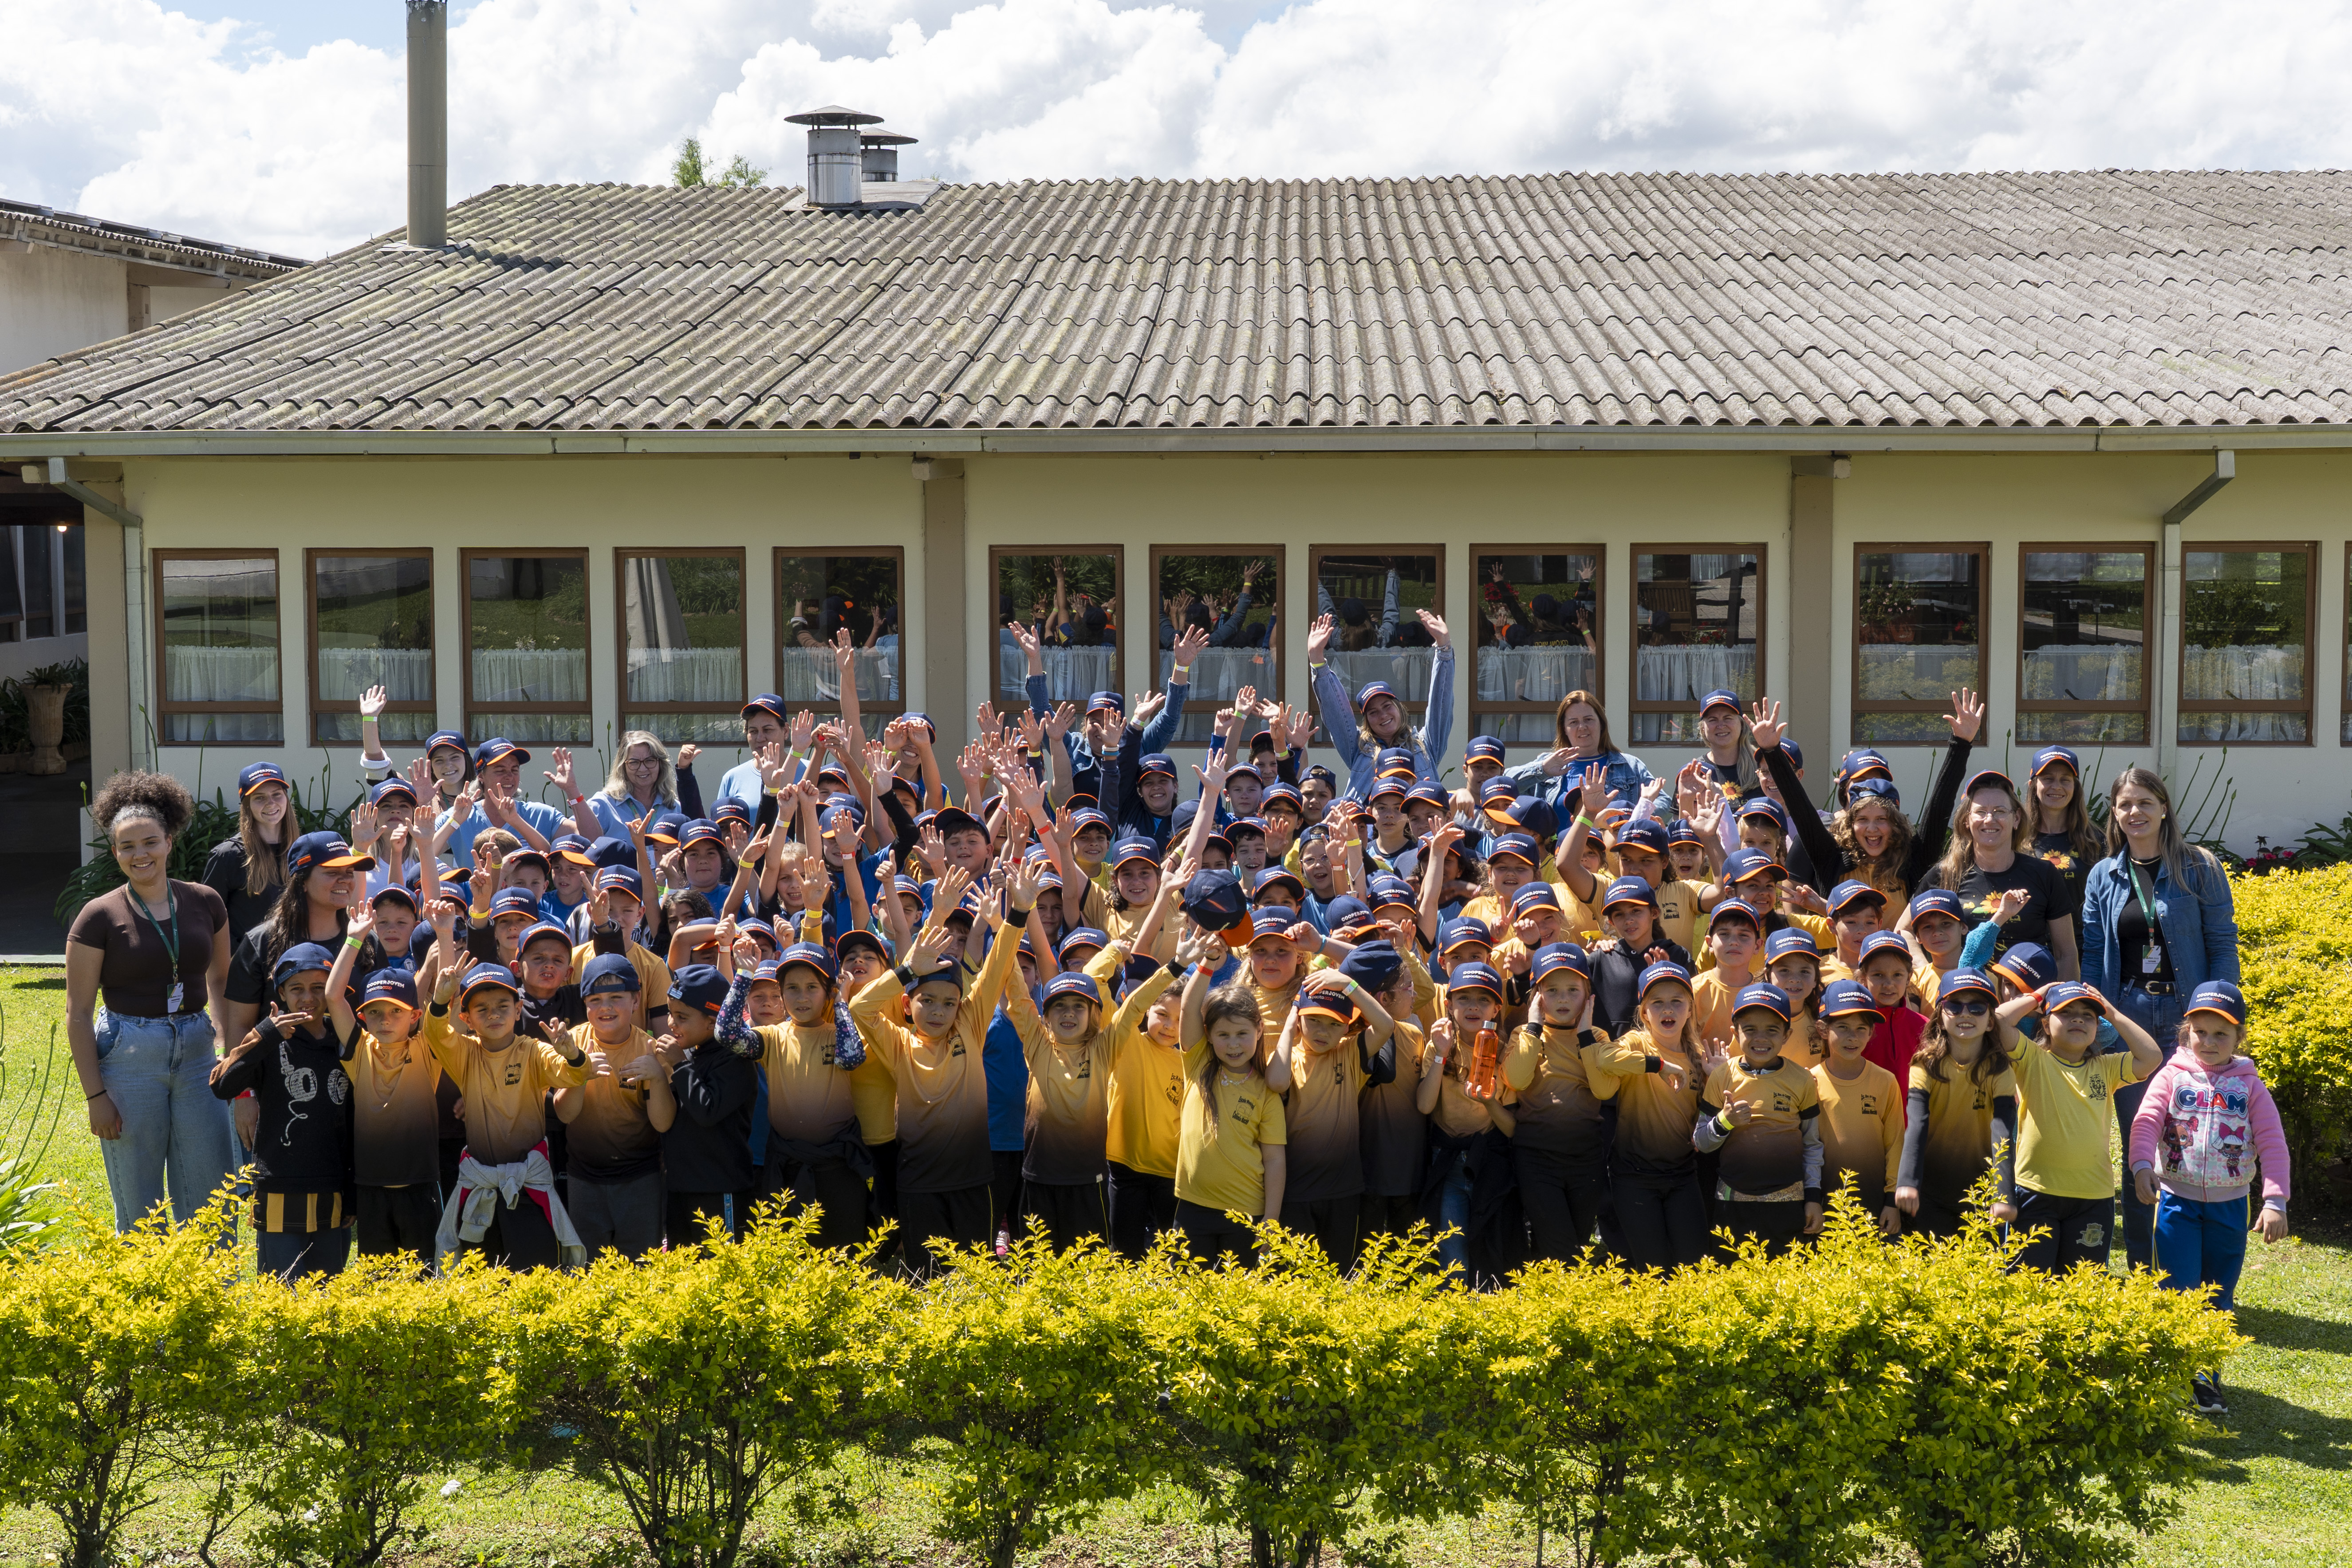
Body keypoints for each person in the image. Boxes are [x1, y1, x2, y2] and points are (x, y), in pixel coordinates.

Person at [2080, 765, 2240, 1273]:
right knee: (2140, 1138)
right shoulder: (2103, 876)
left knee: (2192, 1131)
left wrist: (2220, 1012)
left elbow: (2221, 941)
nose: (2135, 813)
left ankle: (2189, 1259)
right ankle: (2142, 1266)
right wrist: (2099, 1024)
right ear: (2115, 813)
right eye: (2125, 804)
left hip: (2189, 1011)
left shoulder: (2199, 867)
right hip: (2128, 1014)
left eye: (2145, 802)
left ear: (2164, 807)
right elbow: (2092, 957)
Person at [66, 771, 238, 1233]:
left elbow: (221, 980)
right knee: (140, 1201)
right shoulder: (98, 916)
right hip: (129, 1053)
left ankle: (213, 1296)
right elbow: (78, 1013)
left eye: (149, 842)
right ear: (115, 851)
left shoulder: (205, 902)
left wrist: (228, 1051)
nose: (140, 854)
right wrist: (95, 1097)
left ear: (169, 840)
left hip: (200, 1051)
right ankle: (147, 1296)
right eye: (127, 847)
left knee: (213, 1193)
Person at [848, 862, 1034, 1279]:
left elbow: (997, 966)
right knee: (927, 1280)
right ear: (907, 1005)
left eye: (948, 1003)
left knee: (975, 1280)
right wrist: (908, 971)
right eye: (927, 1001)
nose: (938, 1011)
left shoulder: (969, 1026)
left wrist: (1017, 914)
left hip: (973, 1181)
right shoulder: (898, 1042)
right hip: (918, 1185)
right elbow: (860, 1007)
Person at [2128, 980, 2292, 1418]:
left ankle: (2205, 1381)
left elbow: (2273, 1143)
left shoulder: (2250, 1087)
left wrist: (2274, 1201)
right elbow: (2146, 1122)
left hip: (2230, 1209)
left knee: (2217, 1296)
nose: (2210, 1042)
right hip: (2177, 1206)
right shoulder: (2171, 1075)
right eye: (2201, 1032)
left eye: (2222, 1034)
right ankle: (2168, 1375)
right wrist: (2142, 1166)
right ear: (2187, 1032)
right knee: (2177, 1289)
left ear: (2239, 1038)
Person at [423, 924, 593, 1269]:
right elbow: (435, 1033)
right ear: (467, 1019)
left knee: (534, 1274)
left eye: (503, 1005)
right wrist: (442, 999)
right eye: (481, 1009)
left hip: (529, 1184)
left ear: (519, 1011)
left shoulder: (532, 1050)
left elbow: (575, 1074)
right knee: (479, 1282)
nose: (494, 1014)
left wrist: (572, 1052)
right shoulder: (465, 1053)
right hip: (480, 1183)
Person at [1007, 955, 1185, 1253]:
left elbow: (1134, 1007)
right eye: (1060, 1006)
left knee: (1089, 1271)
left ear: (1095, 1015)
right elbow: (1015, 991)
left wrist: (1176, 965)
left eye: (1079, 1006)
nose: (1069, 1014)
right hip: (1038, 1179)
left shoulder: (1104, 1049)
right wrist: (1005, 925)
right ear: (1046, 1016)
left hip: (1089, 1182)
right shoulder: (1037, 1045)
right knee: (1038, 1269)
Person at [208, 942, 355, 1279]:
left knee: (328, 1292)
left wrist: (353, 1192)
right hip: (278, 1187)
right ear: (282, 994)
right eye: (297, 989)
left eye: (320, 988)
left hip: (332, 1187)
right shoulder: (271, 1043)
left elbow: (353, 1123)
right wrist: (263, 1035)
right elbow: (222, 1086)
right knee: (280, 1291)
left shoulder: (344, 1042)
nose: (309, 998)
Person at [1748, 693, 1979, 905]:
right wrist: (1771, 751)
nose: (1872, 828)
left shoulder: (1913, 858)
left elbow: (1940, 807)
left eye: (1881, 819)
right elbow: (1800, 806)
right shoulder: (1832, 857)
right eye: (1863, 819)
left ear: (1895, 824)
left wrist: (1961, 744)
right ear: (1850, 823)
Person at [1999, 981, 2163, 1274]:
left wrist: (2112, 1013)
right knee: (2026, 1284)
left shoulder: (2106, 1067)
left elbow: (2150, 1058)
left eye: (2088, 1015)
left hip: (2092, 1199)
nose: (2078, 1019)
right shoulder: (2032, 1059)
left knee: (2079, 1288)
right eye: (2066, 1012)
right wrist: (2037, 996)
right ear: (2046, 1025)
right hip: (2035, 1192)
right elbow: (1997, 1021)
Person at [1265, 958, 1398, 1272]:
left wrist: (1348, 985)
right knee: (1295, 1281)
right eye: (1315, 1020)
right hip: (1294, 1192)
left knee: (1336, 1277)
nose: (1323, 1032)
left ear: (1346, 1028)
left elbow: (1385, 1026)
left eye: (1335, 1024)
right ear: (1300, 1019)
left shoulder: (1349, 1053)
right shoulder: (1285, 1058)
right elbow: (1276, 1082)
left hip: (1343, 1191)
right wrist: (1290, 1022)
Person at [322, 930, 441, 1268]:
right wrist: (355, 940)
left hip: (420, 1186)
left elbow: (450, 999)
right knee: (378, 1285)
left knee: (424, 1282)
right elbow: (333, 996)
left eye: (396, 1011)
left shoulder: (427, 1049)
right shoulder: (359, 1051)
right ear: (362, 1017)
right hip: (371, 1188)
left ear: (415, 1016)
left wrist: (444, 936)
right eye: (374, 1012)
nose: (385, 1020)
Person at [1585, 961, 1714, 1272]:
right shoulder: (1636, 1042)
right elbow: (1603, 1058)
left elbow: (1709, 1123)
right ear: (1644, 1013)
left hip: (1683, 1176)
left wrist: (1716, 1079)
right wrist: (1657, 1065)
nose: (1666, 1010)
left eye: (1676, 1002)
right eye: (1657, 1003)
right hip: (1634, 1177)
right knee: (1651, 1270)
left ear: (1689, 1011)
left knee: (1695, 1268)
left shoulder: (1699, 1058)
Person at [552, 953, 674, 1260]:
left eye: (617, 997)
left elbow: (663, 1124)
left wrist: (658, 1078)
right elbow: (564, 1115)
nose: (605, 1007)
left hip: (641, 1178)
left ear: (636, 1001)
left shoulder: (649, 1048)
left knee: (641, 1270)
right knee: (587, 1269)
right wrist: (579, 1073)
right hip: (584, 1177)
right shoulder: (571, 1044)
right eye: (595, 999)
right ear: (584, 1005)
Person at [1692, 982, 1824, 1257]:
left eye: (1772, 1030)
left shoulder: (1801, 1080)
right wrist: (1724, 1122)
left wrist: (1813, 1198)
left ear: (1787, 1035)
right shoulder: (1721, 1077)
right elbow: (1701, 1142)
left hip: (1788, 1202)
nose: (1760, 1038)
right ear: (1735, 1032)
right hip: (1732, 1202)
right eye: (1750, 1029)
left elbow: (1813, 1146)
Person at [1502, 944, 1616, 1264]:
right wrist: (1535, 1027)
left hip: (1586, 1158)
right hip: (1537, 1158)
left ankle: (1543, 1308)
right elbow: (1517, 1080)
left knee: (1572, 1243)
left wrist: (1585, 1038)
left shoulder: (1599, 1038)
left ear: (1588, 994)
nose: (1563, 998)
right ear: (1537, 995)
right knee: (1562, 1250)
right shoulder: (1523, 1034)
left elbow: (1603, 1090)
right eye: (1552, 991)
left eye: (1572, 990)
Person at [1915, 769, 2079, 979]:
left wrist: (2060, 1004)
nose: (1990, 820)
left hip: (2028, 1001)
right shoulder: (1946, 874)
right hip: (1966, 1003)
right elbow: (1906, 930)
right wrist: (1926, 976)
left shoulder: (2044, 874)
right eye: (1981, 812)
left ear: (2017, 818)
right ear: (1967, 820)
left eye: (2000, 811)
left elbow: (2066, 953)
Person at [1173, 972, 1288, 1269]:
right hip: (1192, 1208)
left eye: (1242, 1034)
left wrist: (1270, 1220)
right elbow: (1188, 1008)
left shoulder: (1266, 1091)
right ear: (1208, 1035)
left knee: (1236, 1307)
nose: (1233, 1045)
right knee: (1186, 1298)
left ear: (1260, 1030)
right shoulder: (1197, 1063)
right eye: (1223, 1035)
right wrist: (1206, 967)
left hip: (1245, 1214)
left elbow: (1274, 1160)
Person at [1894, 969, 2018, 1238]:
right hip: (1930, 1189)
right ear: (1940, 1016)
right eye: (1954, 1006)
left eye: (1977, 1008)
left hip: (1982, 1193)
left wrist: (2004, 1193)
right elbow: (1917, 1123)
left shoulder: (1999, 1069)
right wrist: (1907, 1183)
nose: (1965, 1014)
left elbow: (2003, 1132)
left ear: (1990, 1022)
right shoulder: (1924, 1065)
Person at [1306, 607, 1456, 799]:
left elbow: (1440, 706)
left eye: (1387, 706)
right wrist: (1317, 661)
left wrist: (1444, 647)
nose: (1383, 715)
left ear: (1399, 708)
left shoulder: (1426, 745)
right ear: (1367, 720)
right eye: (1373, 712)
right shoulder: (1359, 748)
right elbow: (1336, 712)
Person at [1811, 980, 1903, 1236]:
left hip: (1877, 1207)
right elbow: (1807, 1149)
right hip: (1824, 1208)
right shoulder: (1810, 1082)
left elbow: (1896, 1145)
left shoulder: (1885, 1081)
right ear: (1823, 1029)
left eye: (1861, 1029)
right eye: (1842, 1028)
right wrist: (1811, 1200)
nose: (1853, 1037)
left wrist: (1891, 1201)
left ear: (1872, 1033)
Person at [1497, 689, 1655, 815]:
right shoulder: (1548, 763)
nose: (1582, 727)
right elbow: (1501, 785)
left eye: (1588, 720)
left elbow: (1660, 800)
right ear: (1564, 730)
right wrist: (1543, 770)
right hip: (1558, 854)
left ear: (1602, 724)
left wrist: (1634, 820)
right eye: (1573, 722)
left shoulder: (1629, 765)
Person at [201, 761, 295, 942]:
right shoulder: (227, 856)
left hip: (296, 962)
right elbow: (207, 921)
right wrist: (240, 960)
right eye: (259, 798)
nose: (271, 803)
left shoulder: (300, 850)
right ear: (247, 805)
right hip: (247, 966)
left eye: (277, 795)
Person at [2021, 746, 2102, 911]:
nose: (2057, 787)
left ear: (2075, 786)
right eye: (2048, 778)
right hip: (2030, 937)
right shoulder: (2016, 838)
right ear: (2033, 785)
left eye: (2065, 779)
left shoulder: (2095, 840)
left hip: (2083, 936)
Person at [589, 730, 682, 839]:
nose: (643, 769)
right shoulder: (604, 804)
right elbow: (575, 836)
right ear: (623, 767)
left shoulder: (675, 808)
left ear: (661, 764)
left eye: (650, 761)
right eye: (634, 762)